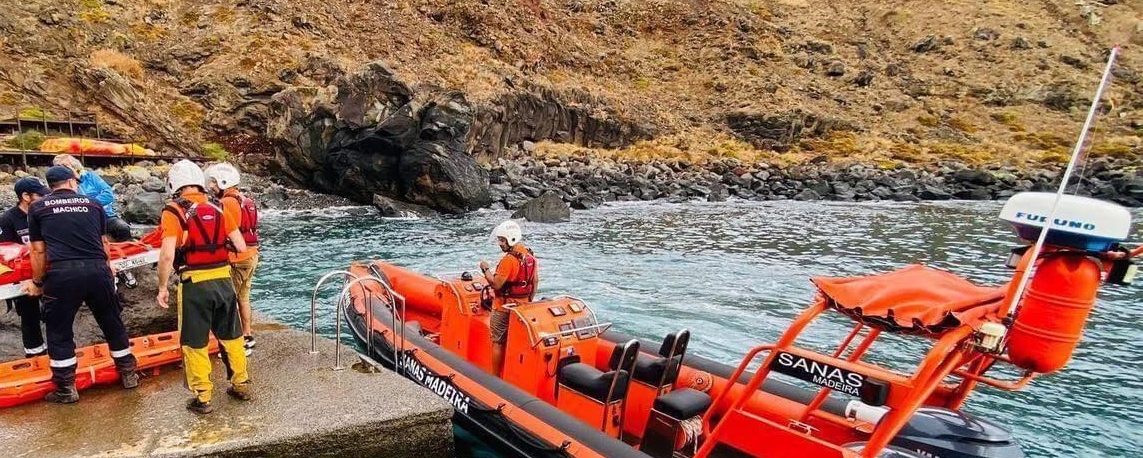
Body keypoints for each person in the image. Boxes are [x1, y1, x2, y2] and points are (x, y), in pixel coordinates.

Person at [28, 166, 138, 404]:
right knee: (112, 321)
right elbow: (103, 242)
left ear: (51, 185)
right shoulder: (93, 204)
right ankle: (129, 374)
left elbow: (38, 250)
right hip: (97, 269)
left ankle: (66, 388)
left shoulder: (38, 208)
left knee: (59, 330)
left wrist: (37, 282)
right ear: (70, 182)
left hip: (62, 274)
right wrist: (108, 267)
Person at [155, 160, 251, 414]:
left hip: (194, 284)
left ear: (175, 184)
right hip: (224, 281)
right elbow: (240, 246)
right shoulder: (218, 207)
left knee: (194, 342)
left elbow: (166, 255)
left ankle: (203, 397)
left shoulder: (173, 211)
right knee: (232, 336)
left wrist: (162, 286)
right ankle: (240, 383)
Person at [53, 154, 137, 288]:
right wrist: (92, 204)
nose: (63, 170)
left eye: (65, 167)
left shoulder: (90, 176)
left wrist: (89, 204)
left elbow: (108, 194)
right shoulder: (62, 185)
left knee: (123, 228)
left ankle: (126, 267)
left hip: (105, 216)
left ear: (74, 166)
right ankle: (104, 272)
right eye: (60, 168)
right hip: (83, 220)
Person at [204, 163, 260, 356]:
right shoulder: (246, 200)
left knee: (228, 301)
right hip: (251, 256)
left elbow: (228, 231)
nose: (211, 187)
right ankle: (247, 336)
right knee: (243, 298)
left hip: (237, 259)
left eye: (213, 183)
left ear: (223, 181)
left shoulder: (227, 203)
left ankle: (235, 343)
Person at [478, 220, 538, 377]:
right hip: (522, 307)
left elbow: (496, 284)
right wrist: (528, 300)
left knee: (498, 341)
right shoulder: (530, 256)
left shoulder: (508, 260)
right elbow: (534, 281)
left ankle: (495, 376)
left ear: (510, 239)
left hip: (503, 307)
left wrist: (485, 270)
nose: (499, 243)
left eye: (502, 240)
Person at [1, 177, 50, 357]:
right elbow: (6, 252)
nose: (44, 198)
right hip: (23, 276)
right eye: (40, 195)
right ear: (25, 196)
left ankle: (60, 350)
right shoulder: (8, 219)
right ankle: (34, 352)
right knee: (29, 314)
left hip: (47, 271)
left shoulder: (43, 213)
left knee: (55, 310)